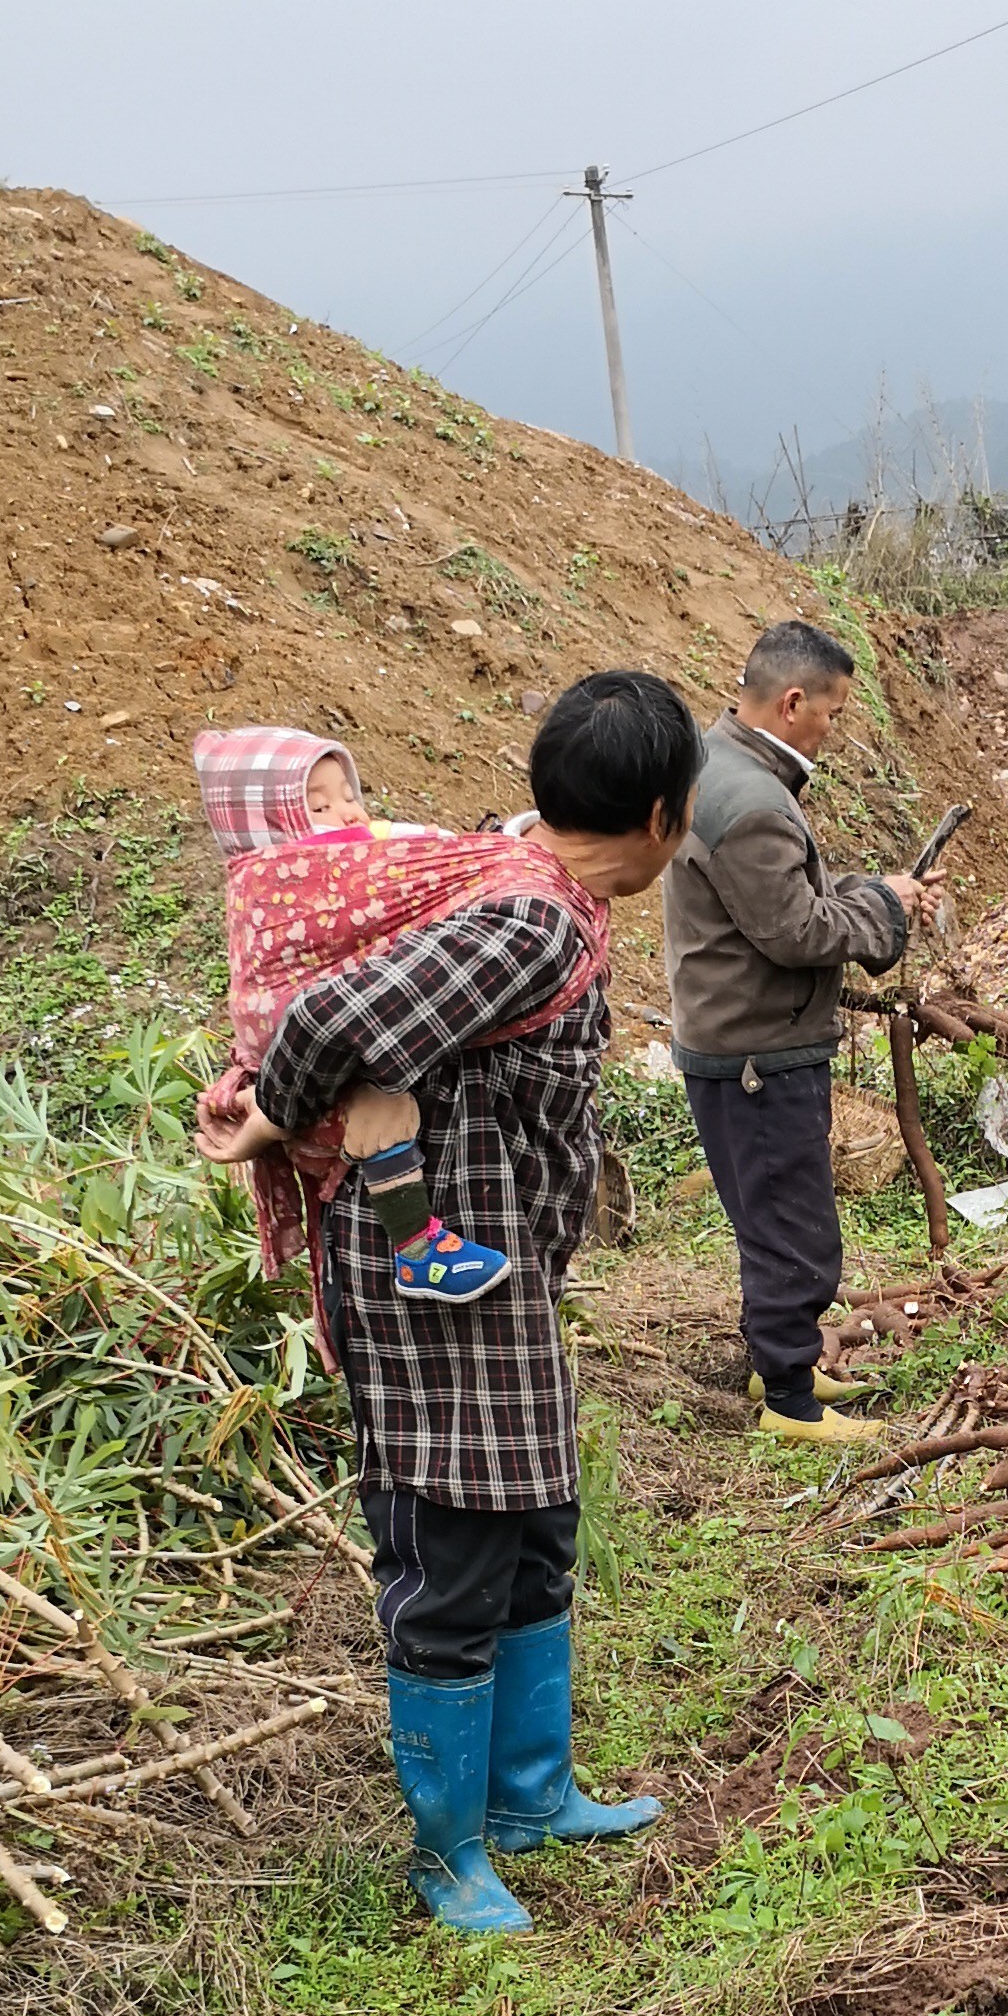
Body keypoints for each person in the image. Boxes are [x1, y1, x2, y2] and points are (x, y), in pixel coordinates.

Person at [201, 671, 700, 1937]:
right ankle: (449, 1851)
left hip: (498, 1280)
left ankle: (533, 1796)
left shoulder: (523, 881)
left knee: (534, 1527)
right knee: (450, 1550)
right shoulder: (530, 922)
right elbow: (331, 1012)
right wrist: (273, 1113)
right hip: (428, 1289)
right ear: (660, 814)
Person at [663, 618, 939, 1439]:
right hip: (760, 1049)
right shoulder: (752, 802)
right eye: (833, 712)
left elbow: (782, 902)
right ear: (792, 702)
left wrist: (869, 888)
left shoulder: (721, 766)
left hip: (735, 1037)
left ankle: (779, 1363)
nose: (835, 729)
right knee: (797, 1226)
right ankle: (788, 1401)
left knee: (771, 1215)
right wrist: (886, 908)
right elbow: (798, 933)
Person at [194, 726, 564, 1315]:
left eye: (348, 795)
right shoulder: (275, 882)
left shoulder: (362, 861)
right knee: (383, 1110)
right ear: (271, 826)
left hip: (316, 1048)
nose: (343, 812)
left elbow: (418, 872)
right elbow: (283, 984)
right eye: (317, 805)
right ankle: (417, 1247)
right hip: (301, 1055)